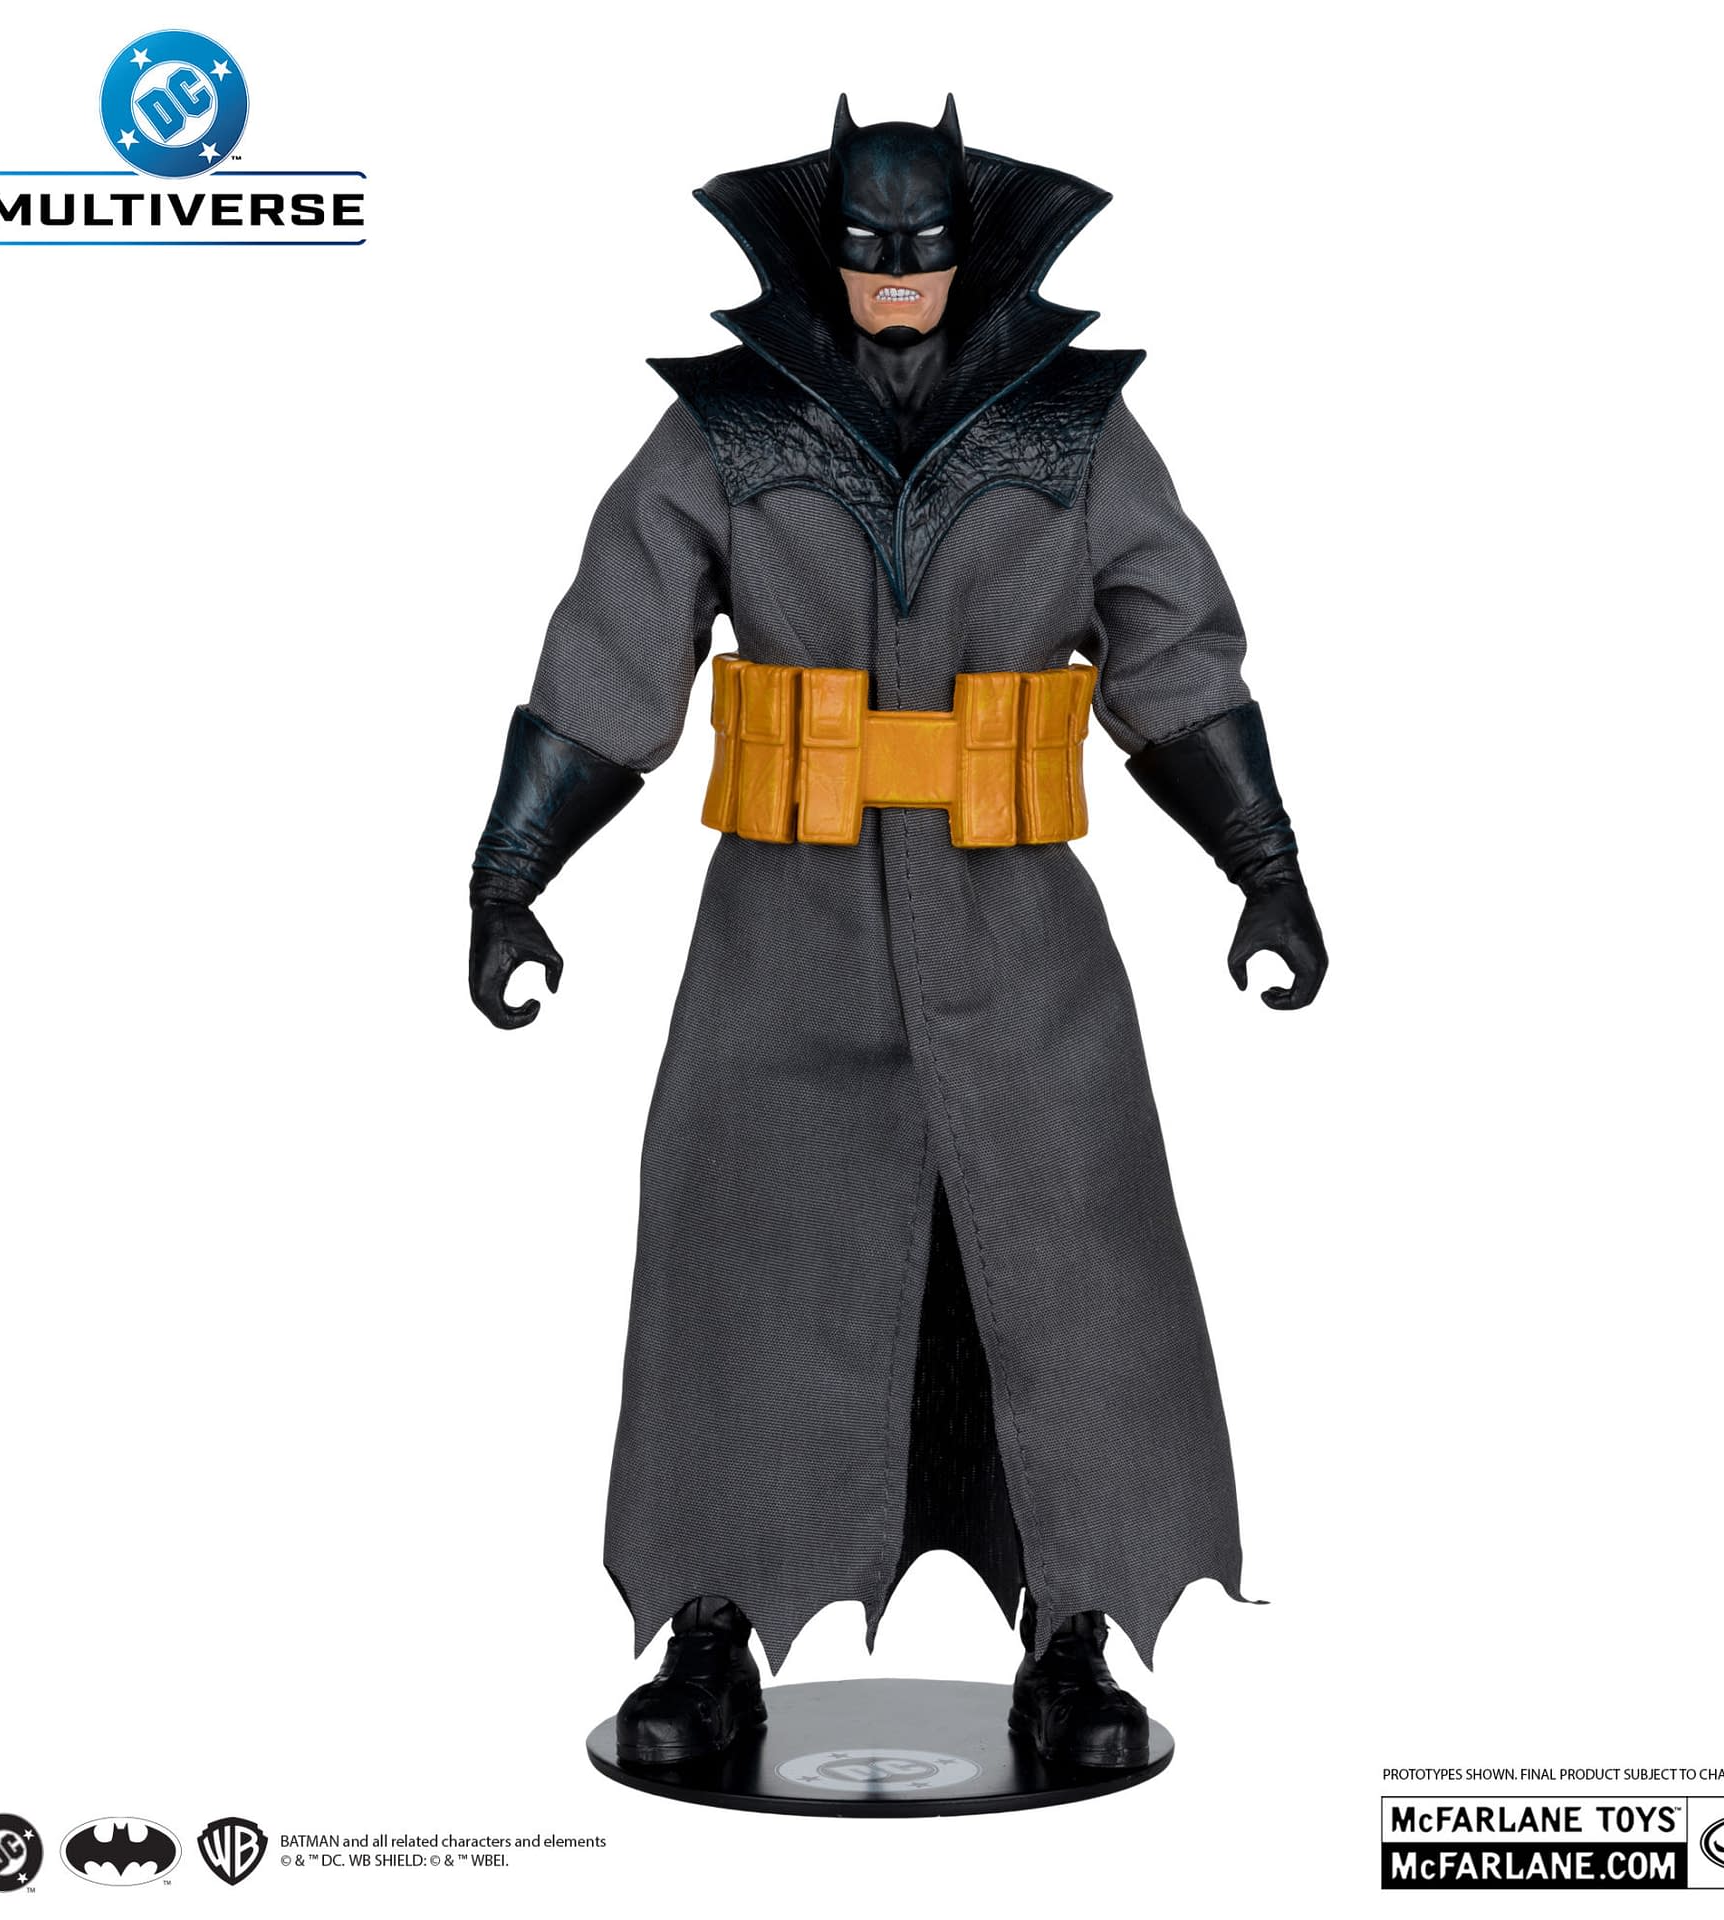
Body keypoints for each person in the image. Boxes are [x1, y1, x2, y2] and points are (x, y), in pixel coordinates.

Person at [468, 97, 1327, 1771]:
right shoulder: (730, 431)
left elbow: (1174, 658)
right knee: (742, 1267)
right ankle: (711, 1626)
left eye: (922, 252)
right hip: (783, 939)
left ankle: (1072, 1635)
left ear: (970, 248)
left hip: (1020, 942)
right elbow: (613, 649)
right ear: (824, 251)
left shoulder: (1074, 434)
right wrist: (513, 873)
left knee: (1068, 1278)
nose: (896, 283)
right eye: (868, 254)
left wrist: (1265, 864)